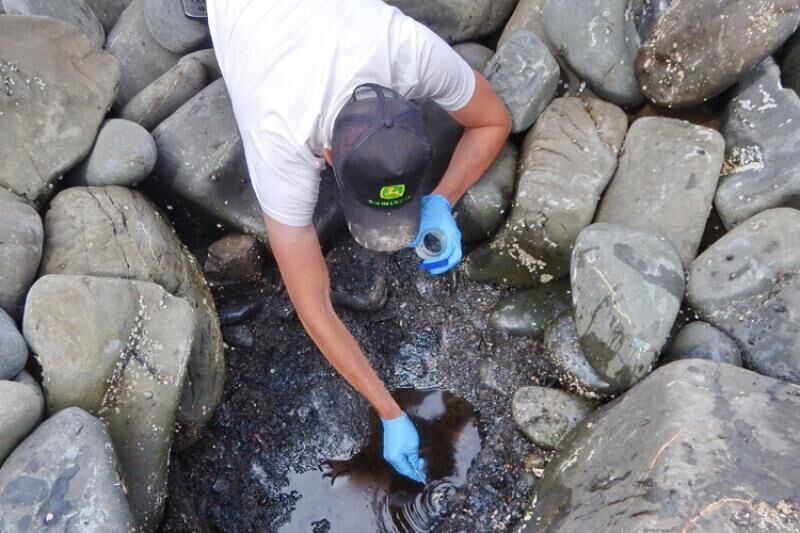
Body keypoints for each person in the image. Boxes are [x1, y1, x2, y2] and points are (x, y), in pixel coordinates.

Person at [206, 0, 511, 482]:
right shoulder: (278, 136)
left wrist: (441, 200)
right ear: (326, 155)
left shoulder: (409, 49)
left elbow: (493, 119)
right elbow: (313, 304)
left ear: (413, 106)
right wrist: (389, 412)